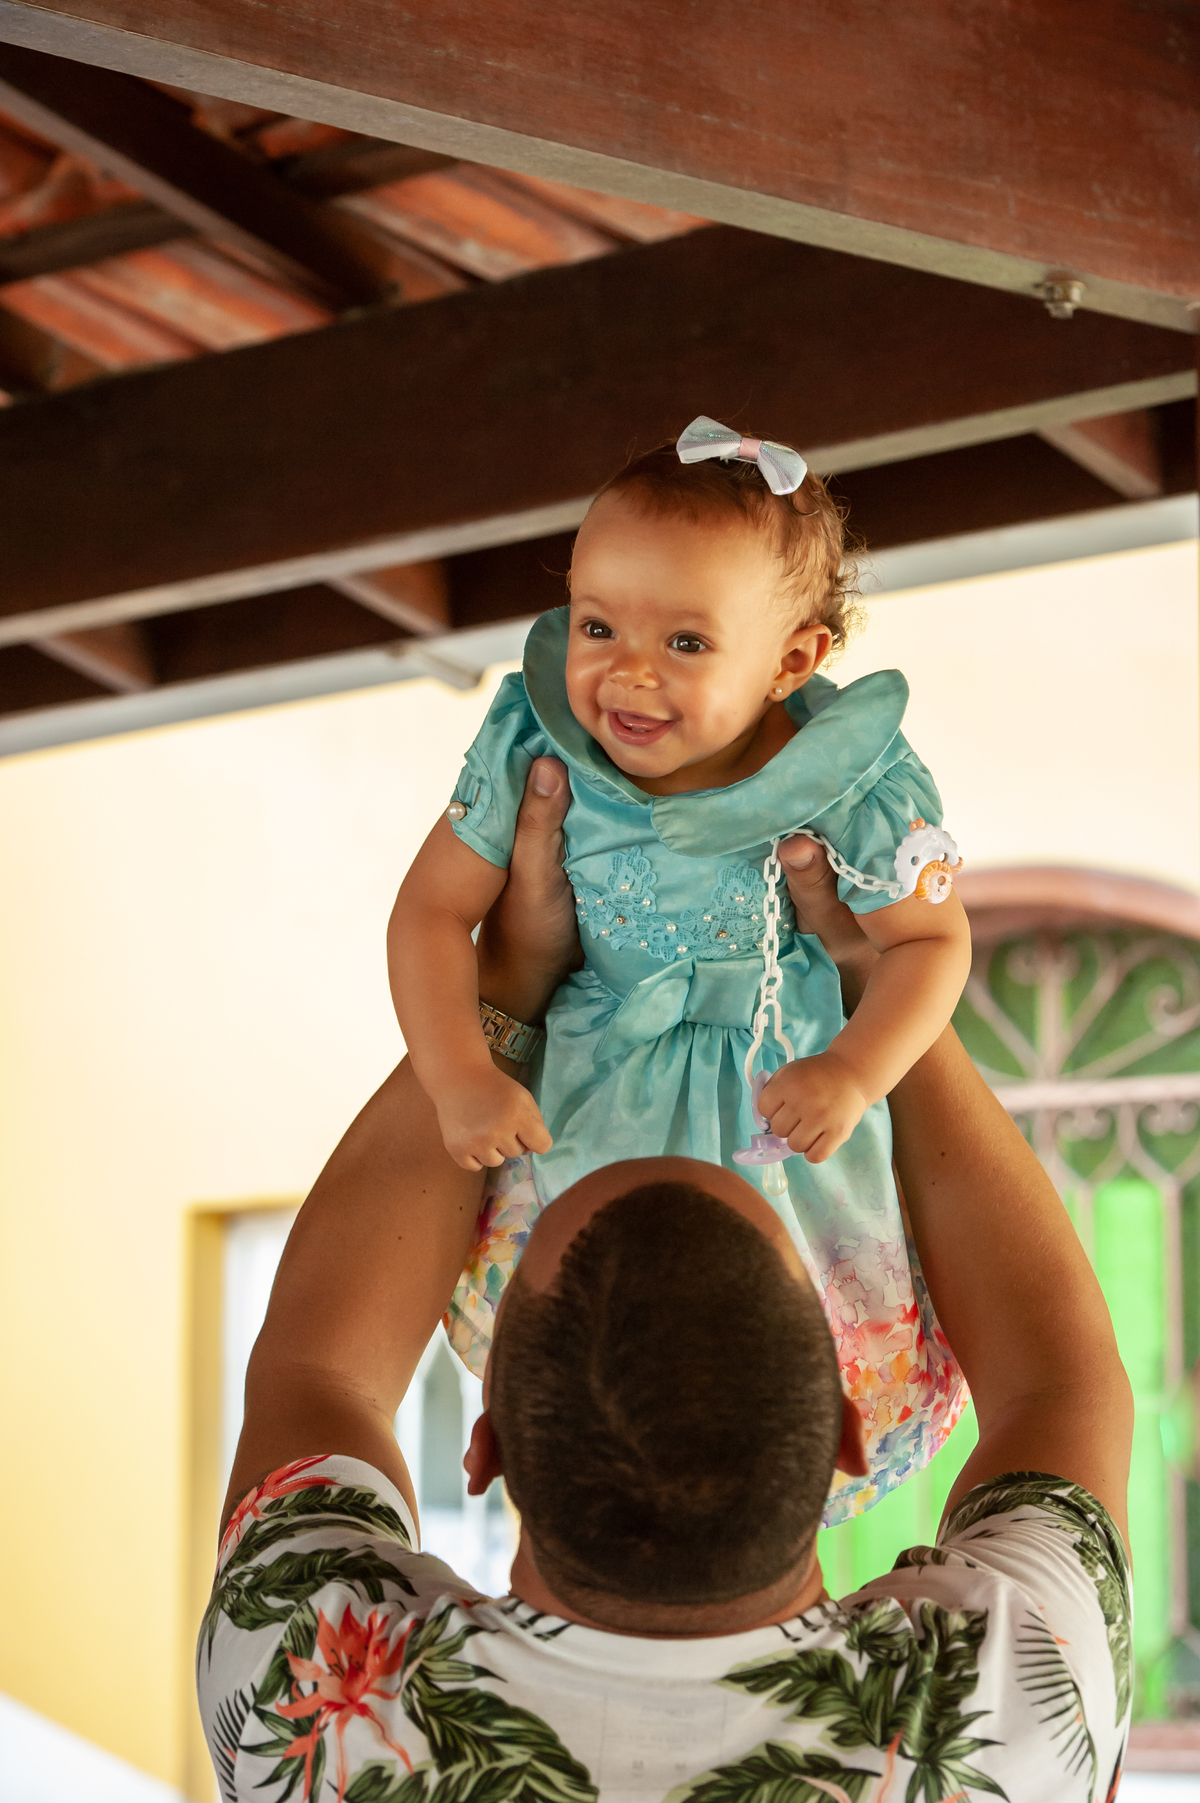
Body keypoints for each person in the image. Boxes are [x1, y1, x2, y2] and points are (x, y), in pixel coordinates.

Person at [201, 764, 1134, 1803]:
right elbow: (1059, 1384)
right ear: (847, 1437)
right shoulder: (337, 1731)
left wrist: (507, 991)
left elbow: (317, 1371)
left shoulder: (316, 1709)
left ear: (486, 1447)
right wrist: (882, 998)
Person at [389, 419, 971, 1520]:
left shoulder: (844, 779)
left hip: (777, 1096)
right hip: (592, 1088)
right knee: (588, 1340)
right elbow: (427, 913)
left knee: (779, 1340)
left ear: (793, 660)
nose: (629, 673)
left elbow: (933, 944)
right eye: (599, 623)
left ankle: (790, 1484)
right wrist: (460, 1072)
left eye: (688, 645)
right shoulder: (539, 748)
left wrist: (854, 1068)